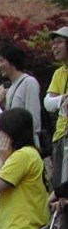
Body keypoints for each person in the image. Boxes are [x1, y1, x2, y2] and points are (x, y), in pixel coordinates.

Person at [0, 44, 42, 150]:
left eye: (1, 61)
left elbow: (34, 119)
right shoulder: (10, 89)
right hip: (13, 145)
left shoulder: (29, 82)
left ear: (12, 61)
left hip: (27, 145)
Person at [45, 26, 68, 185]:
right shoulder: (59, 73)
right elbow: (48, 103)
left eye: (59, 42)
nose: (54, 47)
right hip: (59, 135)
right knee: (58, 185)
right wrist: (62, 99)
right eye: (53, 43)